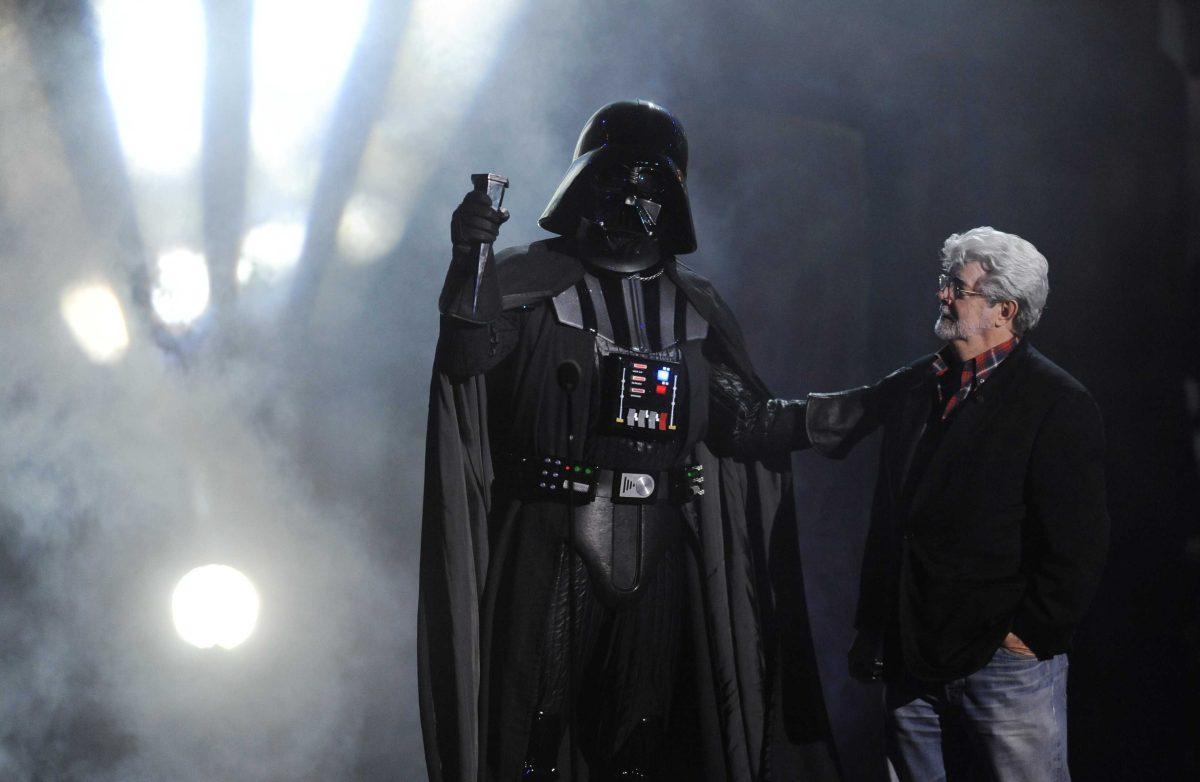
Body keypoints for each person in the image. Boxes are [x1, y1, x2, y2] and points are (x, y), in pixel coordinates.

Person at [418, 100, 840, 781]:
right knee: (531, 737)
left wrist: (875, 405)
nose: (631, 201)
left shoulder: (696, 308)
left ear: (672, 198)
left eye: (649, 188)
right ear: (584, 185)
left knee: (641, 744)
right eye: (617, 181)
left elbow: (751, 422)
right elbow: (466, 357)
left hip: (661, 540)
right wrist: (471, 258)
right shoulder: (531, 283)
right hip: (550, 534)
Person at [806, 227, 1109, 780]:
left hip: (1004, 664)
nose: (943, 295)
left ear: (1004, 309)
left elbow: (1078, 543)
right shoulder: (923, 382)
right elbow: (847, 424)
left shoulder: (1057, 402)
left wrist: (1028, 637)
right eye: (945, 282)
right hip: (911, 653)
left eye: (958, 287)